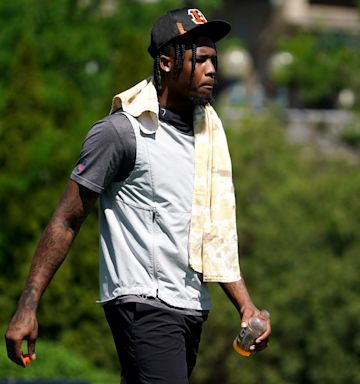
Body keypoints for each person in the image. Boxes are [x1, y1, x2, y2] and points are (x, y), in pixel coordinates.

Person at [5, 7, 271, 384]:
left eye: (215, 59)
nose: (212, 69)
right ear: (166, 62)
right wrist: (27, 307)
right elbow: (66, 220)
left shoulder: (206, 139)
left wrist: (245, 305)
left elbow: (210, 235)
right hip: (144, 303)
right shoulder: (121, 134)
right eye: (201, 59)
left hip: (191, 306)